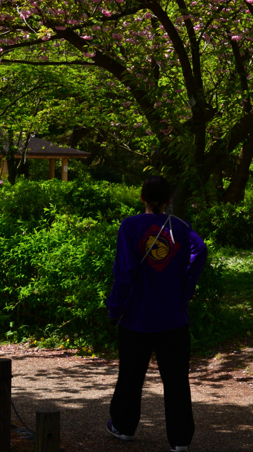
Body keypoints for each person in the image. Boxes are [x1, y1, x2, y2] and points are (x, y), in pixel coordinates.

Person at [106, 176, 208, 452]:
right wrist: (184, 291)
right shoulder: (181, 227)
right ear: (168, 199)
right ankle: (179, 440)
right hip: (173, 317)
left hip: (136, 317)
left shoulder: (130, 226)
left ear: (142, 197)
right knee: (176, 380)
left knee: (131, 375)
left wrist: (115, 307)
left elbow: (124, 271)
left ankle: (124, 427)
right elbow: (201, 250)